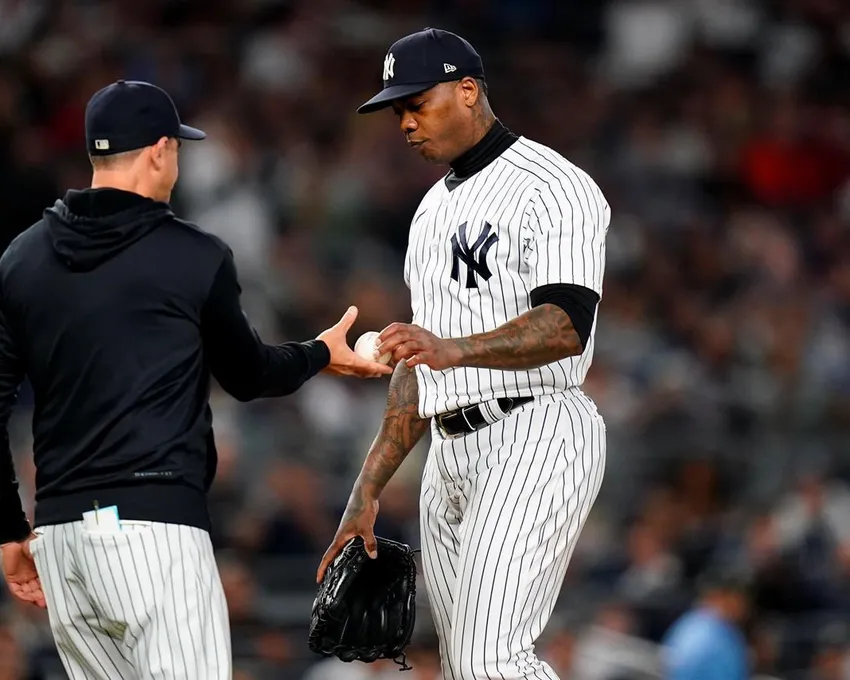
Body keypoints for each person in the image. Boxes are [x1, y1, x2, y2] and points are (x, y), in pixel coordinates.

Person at [0, 79, 392, 680]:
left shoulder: (21, 259)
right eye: (176, 148)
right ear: (160, 150)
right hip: (155, 533)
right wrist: (319, 354)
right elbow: (249, 374)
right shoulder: (192, 255)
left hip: (61, 543)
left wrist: (8, 533)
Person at [318, 28, 611, 680]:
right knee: (462, 667)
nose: (406, 122)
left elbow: (567, 324)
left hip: (534, 428)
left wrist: (453, 347)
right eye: (398, 110)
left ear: (470, 90)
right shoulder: (428, 215)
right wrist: (365, 493)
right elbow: (419, 370)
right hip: (448, 455)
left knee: (489, 660)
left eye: (417, 103)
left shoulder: (554, 184)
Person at [661, 570, 751, 680]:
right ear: (721, 596)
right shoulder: (720, 635)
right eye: (738, 597)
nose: (743, 606)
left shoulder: (686, 623)